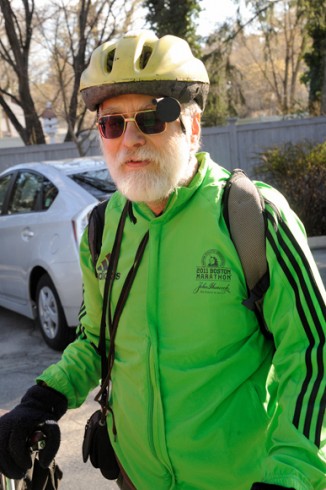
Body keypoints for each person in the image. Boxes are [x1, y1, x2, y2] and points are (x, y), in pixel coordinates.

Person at [0, 30, 325, 490]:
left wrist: (291, 474)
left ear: (192, 128)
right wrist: (42, 399)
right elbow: (97, 341)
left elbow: (313, 352)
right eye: (112, 124)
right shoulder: (101, 229)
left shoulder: (250, 216)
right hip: (136, 477)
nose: (129, 139)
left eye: (152, 118)